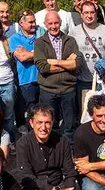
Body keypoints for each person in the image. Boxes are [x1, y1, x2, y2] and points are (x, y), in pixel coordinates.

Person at [14, 105, 92, 190]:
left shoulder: (62, 141)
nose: (43, 127)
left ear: (52, 123)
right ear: (31, 123)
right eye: (39, 122)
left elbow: (70, 173)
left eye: (47, 123)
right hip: (36, 188)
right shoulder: (23, 144)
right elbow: (27, 177)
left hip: (58, 183)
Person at [34, 10, 82, 143]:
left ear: (60, 23)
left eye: (56, 23)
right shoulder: (40, 43)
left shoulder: (70, 40)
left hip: (68, 89)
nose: (54, 26)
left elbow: (77, 63)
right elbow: (42, 67)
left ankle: (69, 150)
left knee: (70, 125)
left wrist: (54, 61)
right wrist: (67, 62)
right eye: (50, 23)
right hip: (48, 90)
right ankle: (51, 150)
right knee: (49, 124)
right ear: (45, 25)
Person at [68, 1, 105, 109]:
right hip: (83, 80)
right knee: (85, 111)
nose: (89, 15)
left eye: (92, 12)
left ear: (96, 13)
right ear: (81, 14)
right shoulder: (74, 32)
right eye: (86, 12)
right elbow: (68, 53)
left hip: (103, 80)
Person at [9, 9, 46, 131]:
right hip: (27, 81)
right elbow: (22, 57)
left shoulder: (42, 32)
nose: (34, 24)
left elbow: (50, 51)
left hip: (44, 78)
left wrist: (30, 53)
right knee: (32, 113)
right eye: (30, 22)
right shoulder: (15, 39)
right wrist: (40, 53)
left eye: (34, 21)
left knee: (45, 111)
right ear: (21, 23)